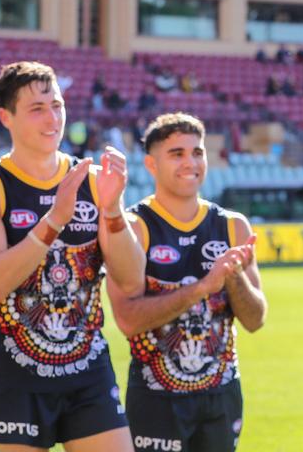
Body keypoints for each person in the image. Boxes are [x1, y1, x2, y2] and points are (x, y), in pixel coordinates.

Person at [0, 61, 146, 451]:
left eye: (58, 105)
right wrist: (55, 219)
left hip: (87, 370)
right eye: (37, 109)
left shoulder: (94, 181)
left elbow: (131, 281)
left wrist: (112, 212)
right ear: (5, 117)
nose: (53, 118)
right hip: (16, 372)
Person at [110, 113, 267, 452]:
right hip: (156, 397)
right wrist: (201, 288)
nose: (190, 162)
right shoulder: (135, 228)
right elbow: (127, 320)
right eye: (177, 153)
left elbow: (255, 320)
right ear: (151, 165)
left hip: (221, 396)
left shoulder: (233, 226)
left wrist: (234, 277)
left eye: (197, 152)